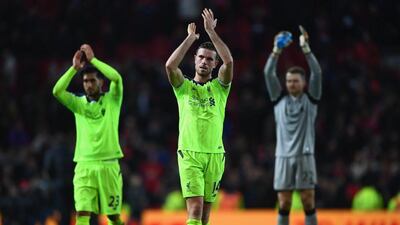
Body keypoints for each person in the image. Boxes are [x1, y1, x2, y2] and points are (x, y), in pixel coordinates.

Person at [165, 8, 233, 225]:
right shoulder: (183, 87)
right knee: (194, 210)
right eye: (201, 57)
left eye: (209, 59)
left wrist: (211, 32)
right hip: (190, 153)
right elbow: (169, 65)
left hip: (215, 154)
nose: (204, 61)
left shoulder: (220, 88)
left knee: (204, 217)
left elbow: (229, 62)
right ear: (195, 60)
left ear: (214, 64)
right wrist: (190, 38)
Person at [53, 44, 124, 225]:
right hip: (84, 164)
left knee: (113, 217)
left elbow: (116, 78)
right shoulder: (78, 104)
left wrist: (93, 61)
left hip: (109, 164)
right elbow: (57, 91)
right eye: (85, 81)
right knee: (82, 213)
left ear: (101, 82)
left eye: (93, 80)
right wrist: (74, 69)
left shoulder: (112, 100)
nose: (89, 84)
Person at [263, 26, 322, 225]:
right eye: (288, 81)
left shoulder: (311, 100)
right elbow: (268, 73)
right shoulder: (279, 99)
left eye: (295, 81)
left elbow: (317, 72)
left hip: (305, 155)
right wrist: (276, 51)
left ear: (303, 83)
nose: (291, 84)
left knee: (307, 199)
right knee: (284, 201)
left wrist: (306, 50)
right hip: (283, 156)